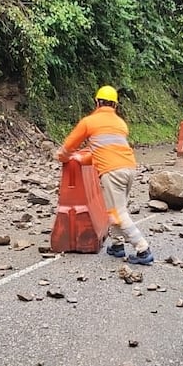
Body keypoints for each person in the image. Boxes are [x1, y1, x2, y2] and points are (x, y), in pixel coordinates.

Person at [55, 85, 154, 265]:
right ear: (115, 105)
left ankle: (142, 249)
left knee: (117, 212)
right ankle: (117, 245)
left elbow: (69, 146)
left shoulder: (89, 122)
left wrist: (61, 156)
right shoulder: (121, 124)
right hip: (129, 168)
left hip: (112, 171)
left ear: (97, 102)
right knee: (117, 207)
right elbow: (107, 146)